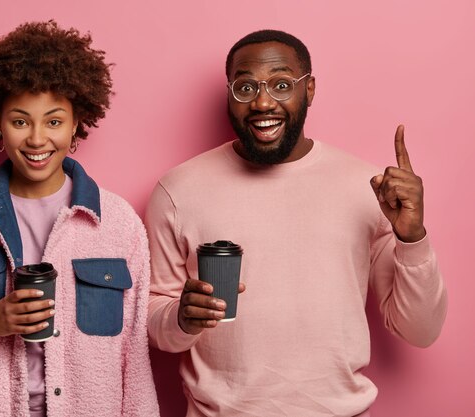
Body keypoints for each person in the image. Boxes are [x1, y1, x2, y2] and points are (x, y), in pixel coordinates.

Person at [145, 29, 447, 417]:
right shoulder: (177, 191)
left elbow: (421, 331)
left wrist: (412, 237)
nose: (263, 102)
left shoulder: (367, 189)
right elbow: (155, 320)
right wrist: (180, 318)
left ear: (310, 90)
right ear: (229, 93)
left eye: (282, 84)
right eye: (245, 87)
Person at [0, 21, 159, 417]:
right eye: (20, 121)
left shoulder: (117, 222)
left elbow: (134, 358)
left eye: (53, 121)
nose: (37, 139)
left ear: (77, 125)